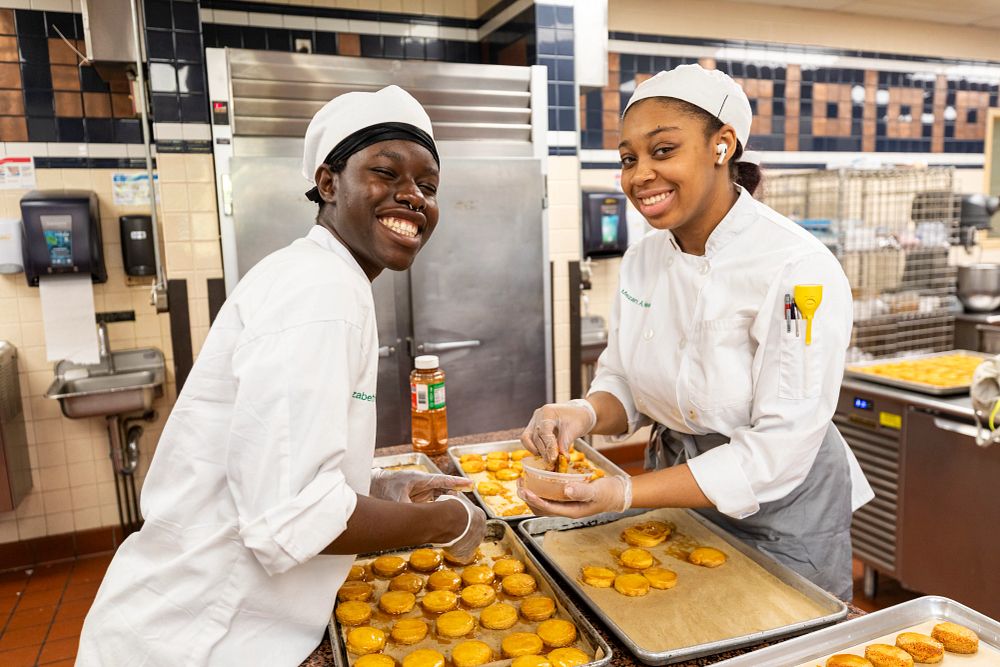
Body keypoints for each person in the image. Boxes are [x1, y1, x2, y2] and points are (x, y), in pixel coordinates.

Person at [77, 85, 487, 665]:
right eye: (386, 172)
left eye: (428, 185)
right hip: (201, 638)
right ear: (327, 183)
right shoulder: (318, 291)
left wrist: (371, 487)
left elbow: (269, 461)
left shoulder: (323, 277)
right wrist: (445, 521)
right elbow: (291, 514)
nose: (412, 197)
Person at [517, 65, 873, 602]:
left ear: (722, 146)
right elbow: (625, 379)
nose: (639, 175)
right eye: (628, 158)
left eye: (663, 151)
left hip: (783, 509)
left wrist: (625, 491)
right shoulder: (643, 258)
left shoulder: (797, 269)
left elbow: (777, 449)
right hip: (677, 485)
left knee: (779, 640)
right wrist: (582, 412)